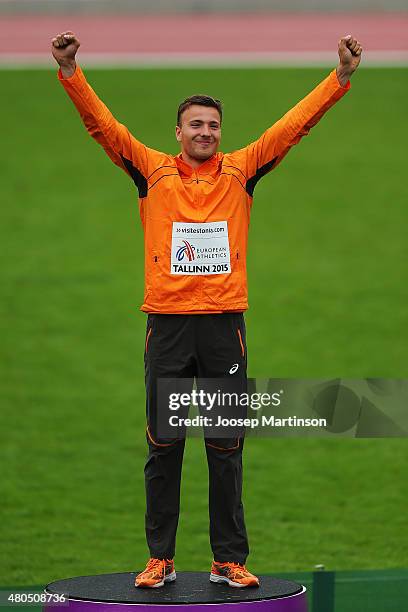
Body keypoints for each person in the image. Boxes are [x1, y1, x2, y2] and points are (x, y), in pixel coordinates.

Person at [51, 31, 362, 589]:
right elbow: (103, 127)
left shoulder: (242, 170)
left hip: (223, 329)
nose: (205, 132)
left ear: (221, 133)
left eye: (213, 125)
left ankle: (228, 560)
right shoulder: (152, 169)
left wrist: (337, 79)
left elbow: (291, 129)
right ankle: (160, 559)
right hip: (168, 327)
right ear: (179, 132)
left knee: (225, 448)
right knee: (163, 449)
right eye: (196, 124)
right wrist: (71, 72)